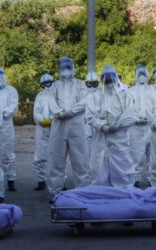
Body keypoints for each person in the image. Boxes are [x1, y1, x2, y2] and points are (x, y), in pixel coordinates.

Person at [47, 57, 90, 199]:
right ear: (59, 69)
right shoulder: (55, 86)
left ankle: (83, 192)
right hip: (59, 125)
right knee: (56, 160)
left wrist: (70, 111)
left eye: (68, 67)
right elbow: (51, 103)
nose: (65, 70)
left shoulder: (80, 85)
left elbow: (84, 101)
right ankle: (55, 193)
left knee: (80, 159)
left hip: (76, 125)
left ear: (73, 68)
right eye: (62, 68)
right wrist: (59, 112)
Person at [86, 65, 136, 187]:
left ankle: (124, 192)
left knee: (122, 165)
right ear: (102, 80)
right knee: (99, 166)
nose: (109, 82)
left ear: (116, 78)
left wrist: (118, 126)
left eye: (111, 79)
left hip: (119, 137)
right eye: (106, 79)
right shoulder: (95, 97)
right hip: (100, 137)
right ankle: (101, 193)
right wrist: (103, 126)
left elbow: (130, 115)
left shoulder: (125, 95)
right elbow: (90, 117)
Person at [0, 67, 18, 192]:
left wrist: (2, 114)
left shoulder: (11, 90)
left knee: (7, 153)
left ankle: (10, 181)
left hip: (5, 125)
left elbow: (13, 105)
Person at [129, 65, 152, 187]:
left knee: (152, 154)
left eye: (144, 74)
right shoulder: (130, 91)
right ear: (136, 76)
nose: (142, 76)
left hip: (150, 126)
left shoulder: (152, 90)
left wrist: (150, 118)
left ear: (147, 76)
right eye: (140, 74)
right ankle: (136, 179)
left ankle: (150, 178)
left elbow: (155, 107)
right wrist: (135, 118)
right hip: (136, 127)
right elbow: (128, 108)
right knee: (136, 154)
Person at [32, 74, 54, 191]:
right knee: (40, 154)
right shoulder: (39, 96)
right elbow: (36, 112)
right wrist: (43, 120)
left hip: (56, 128)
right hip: (42, 128)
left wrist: (54, 120)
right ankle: (41, 180)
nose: (47, 85)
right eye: (44, 83)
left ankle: (61, 181)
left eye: (49, 82)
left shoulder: (57, 94)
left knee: (58, 155)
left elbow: (60, 110)